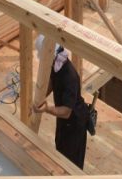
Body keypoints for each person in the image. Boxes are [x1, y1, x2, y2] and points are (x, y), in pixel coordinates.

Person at [31, 36, 87, 169]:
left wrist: (46, 109)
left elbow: (66, 112)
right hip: (64, 121)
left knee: (71, 159)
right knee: (60, 146)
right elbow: (52, 81)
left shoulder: (70, 77)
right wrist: (40, 97)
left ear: (52, 54)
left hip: (75, 123)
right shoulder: (55, 64)